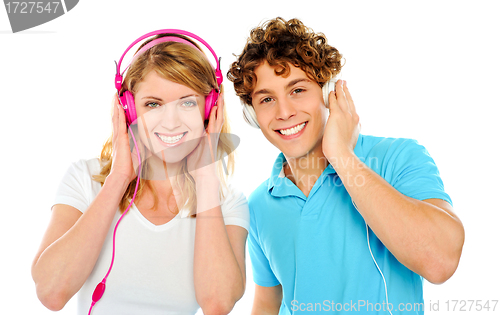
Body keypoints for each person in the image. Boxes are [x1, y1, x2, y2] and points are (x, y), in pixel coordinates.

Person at [227, 18, 465, 314]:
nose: (284, 112)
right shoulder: (259, 204)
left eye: (298, 90)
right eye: (267, 99)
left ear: (329, 94)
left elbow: (440, 262)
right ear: (253, 115)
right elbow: (267, 303)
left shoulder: (398, 156)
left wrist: (341, 156)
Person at [31, 30, 249, 315]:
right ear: (129, 109)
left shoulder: (226, 202)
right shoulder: (85, 179)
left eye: (187, 102)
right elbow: (51, 292)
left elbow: (217, 303)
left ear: (210, 109)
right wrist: (118, 179)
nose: (170, 122)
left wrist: (206, 178)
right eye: (153, 104)